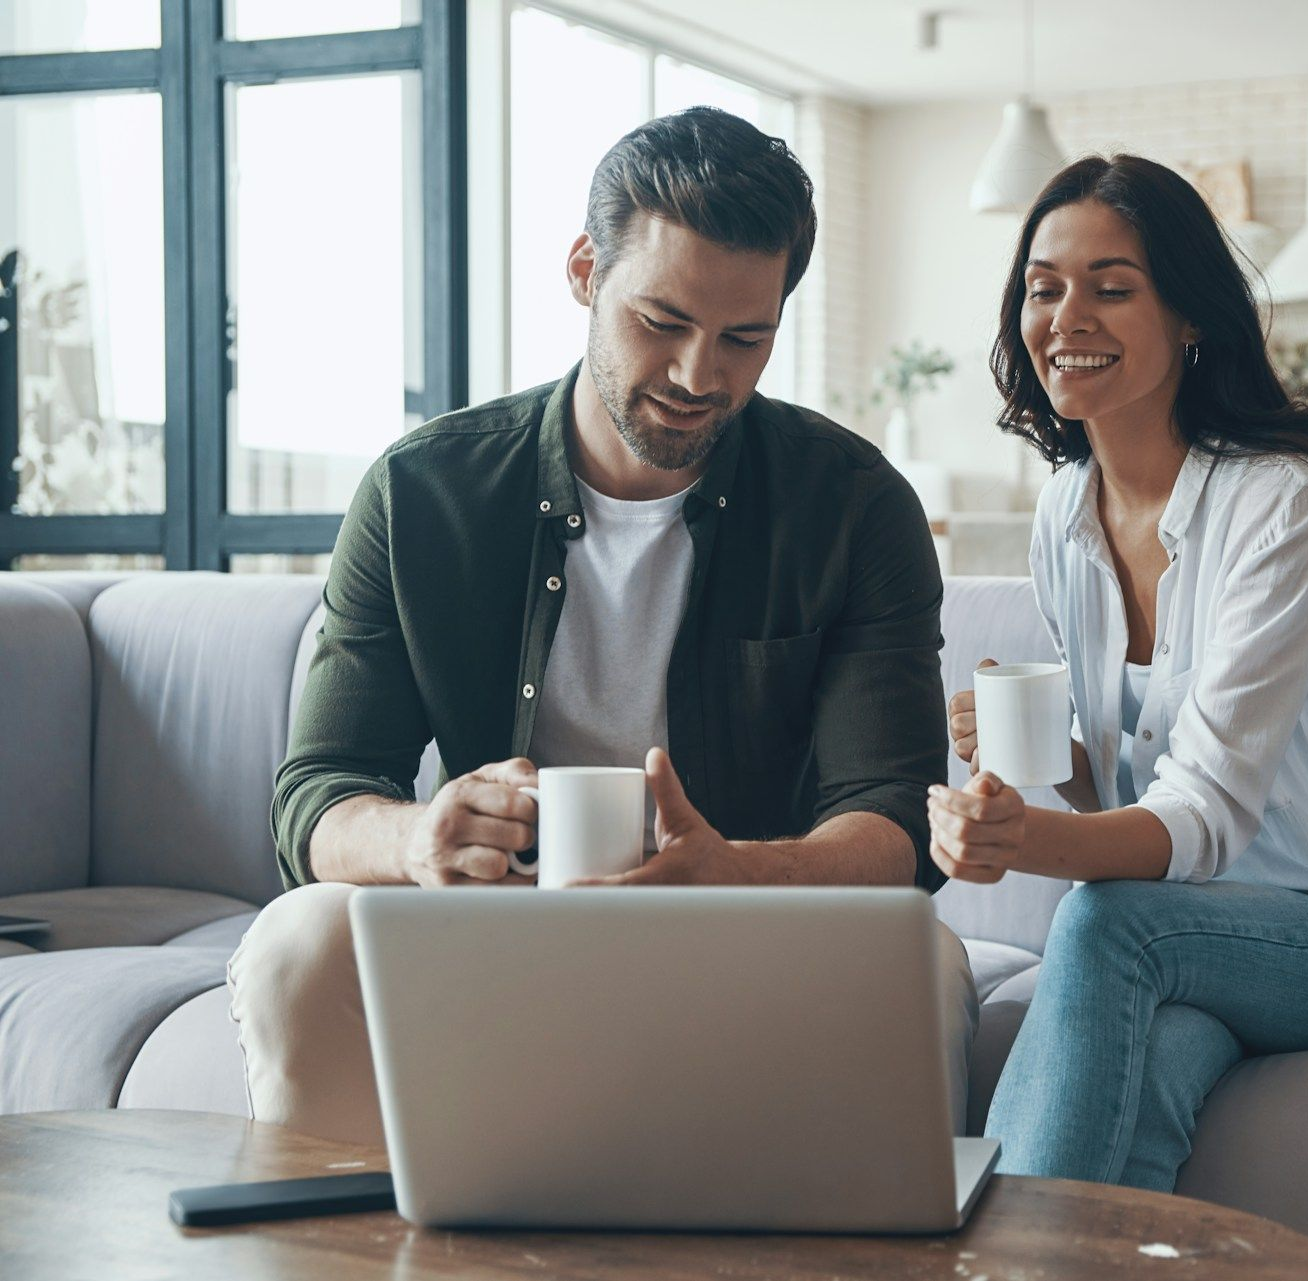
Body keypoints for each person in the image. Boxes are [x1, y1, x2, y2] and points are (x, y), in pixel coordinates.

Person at [227, 107, 978, 1145]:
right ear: (585, 271)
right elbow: (317, 792)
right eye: (661, 321)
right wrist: (420, 837)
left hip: (755, 925)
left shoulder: (853, 505)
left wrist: (736, 872)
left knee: (927, 963)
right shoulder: (421, 492)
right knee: (294, 942)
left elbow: (891, 820)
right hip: (495, 923)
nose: (698, 376)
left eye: (743, 339)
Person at [928, 153, 1308, 1191]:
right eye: (1044, 288)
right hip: (1182, 932)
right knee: (1149, 1081)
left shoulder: (1279, 507)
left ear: (1190, 315)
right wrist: (1034, 758)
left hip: (1282, 922)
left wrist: (1021, 842)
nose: (1068, 316)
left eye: (1111, 286)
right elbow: (1113, 791)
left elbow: (1206, 813)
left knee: (1100, 924)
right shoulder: (1065, 509)